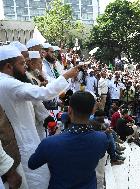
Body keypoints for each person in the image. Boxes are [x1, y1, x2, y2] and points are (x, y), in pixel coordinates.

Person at [0, 45, 79, 189]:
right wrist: (67, 75)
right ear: (8, 66)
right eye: (22, 63)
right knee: (37, 181)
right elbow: (44, 93)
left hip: (22, 140)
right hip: (23, 143)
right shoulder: (8, 84)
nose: (26, 66)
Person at [28, 91, 109, 189]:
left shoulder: (50, 143)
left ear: (69, 110)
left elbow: (32, 164)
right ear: (93, 111)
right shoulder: (102, 138)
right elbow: (100, 155)